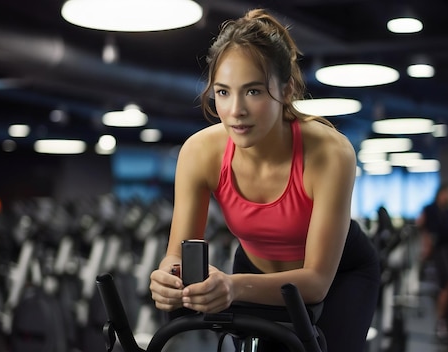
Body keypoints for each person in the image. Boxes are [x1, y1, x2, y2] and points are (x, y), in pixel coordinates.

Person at [149, 8, 380, 352]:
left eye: (253, 92)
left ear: (285, 90)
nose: (235, 110)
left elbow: (316, 282)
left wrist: (234, 287)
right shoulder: (200, 152)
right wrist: (167, 276)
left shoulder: (330, 153)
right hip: (252, 269)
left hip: (339, 276)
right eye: (223, 92)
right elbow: (176, 254)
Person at [416, 181, 448, 341]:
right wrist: (426, 244)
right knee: (447, 284)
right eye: (446, 194)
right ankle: (441, 321)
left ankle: (447, 319)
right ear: (440, 194)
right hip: (439, 252)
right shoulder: (431, 209)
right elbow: (421, 225)